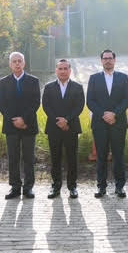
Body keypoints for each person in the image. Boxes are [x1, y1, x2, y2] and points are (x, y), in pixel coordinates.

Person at [87, 49, 128, 198]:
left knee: (119, 155)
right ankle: (101, 187)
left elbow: (127, 99)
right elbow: (90, 101)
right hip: (100, 123)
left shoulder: (123, 77)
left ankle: (120, 187)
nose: (107, 60)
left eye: (110, 58)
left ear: (114, 60)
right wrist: (104, 114)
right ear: (101, 61)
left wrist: (114, 114)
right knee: (101, 156)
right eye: (105, 58)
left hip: (118, 123)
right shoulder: (94, 78)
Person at [0, 52, 41, 199]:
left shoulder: (33, 81)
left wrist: (24, 120)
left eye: (19, 61)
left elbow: (35, 103)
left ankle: (28, 188)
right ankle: (15, 187)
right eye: (14, 61)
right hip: (11, 126)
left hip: (29, 125)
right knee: (13, 158)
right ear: (10, 64)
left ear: (24, 63)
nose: (17, 63)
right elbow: (1, 103)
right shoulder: (4, 82)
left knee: (29, 158)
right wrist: (14, 120)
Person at [42, 59, 85, 199]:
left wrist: (67, 120)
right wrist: (59, 121)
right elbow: (46, 106)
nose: (63, 71)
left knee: (72, 158)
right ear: (56, 70)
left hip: (71, 128)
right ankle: (55, 186)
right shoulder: (48, 87)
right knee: (55, 158)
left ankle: (72, 187)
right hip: (54, 128)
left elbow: (79, 106)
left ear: (70, 70)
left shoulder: (77, 87)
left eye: (65, 68)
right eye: (60, 68)